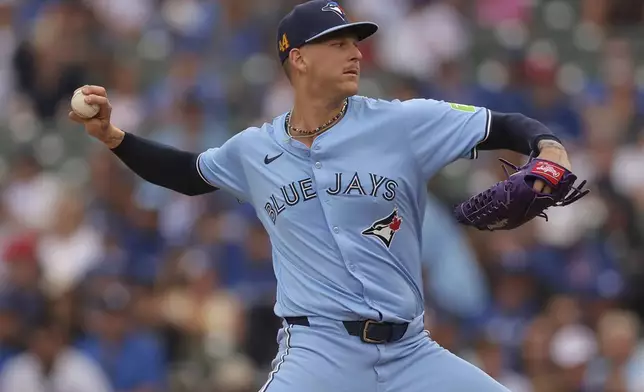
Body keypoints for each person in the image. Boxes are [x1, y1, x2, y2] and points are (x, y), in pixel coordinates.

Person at [68, 1, 572, 391]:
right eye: (338, 43)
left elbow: (503, 125)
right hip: (317, 352)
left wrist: (550, 150)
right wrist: (115, 138)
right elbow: (188, 173)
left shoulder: (400, 122)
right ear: (299, 57)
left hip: (411, 352)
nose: (355, 52)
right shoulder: (255, 150)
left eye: (356, 42)